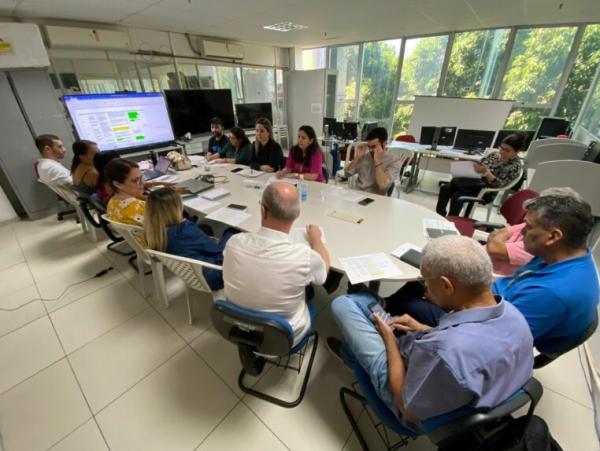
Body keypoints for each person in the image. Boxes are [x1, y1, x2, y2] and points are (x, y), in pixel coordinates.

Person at [328, 235, 533, 432]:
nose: (425, 288)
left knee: (343, 304)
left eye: (426, 281)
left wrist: (390, 340)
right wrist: (423, 328)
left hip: (410, 406)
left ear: (446, 285)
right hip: (458, 388)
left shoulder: (444, 351)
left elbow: (408, 410)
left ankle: (352, 354)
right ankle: (368, 319)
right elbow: (472, 345)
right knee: (366, 302)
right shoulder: (514, 315)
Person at [386, 191, 599, 356]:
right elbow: (511, 284)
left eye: (529, 226)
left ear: (554, 236)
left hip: (485, 324)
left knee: (407, 302)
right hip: (492, 301)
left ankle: (397, 346)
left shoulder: (553, 294)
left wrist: (426, 328)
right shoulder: (564, 255)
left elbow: (490, 342)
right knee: (418, 284)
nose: (521, 231)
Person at [223, 182, 330, 345]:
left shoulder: (234, 242)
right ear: (297, 214)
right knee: (311, 295)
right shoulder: (304, 256)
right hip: (283, 335)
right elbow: (322, 273)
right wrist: (315, 239)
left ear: (263, 210)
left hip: (236, 323)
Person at [144, 187, 236, 291]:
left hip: (192, 276)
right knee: (232, 231)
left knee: (209, 229)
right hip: (215, 275)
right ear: (176, 208)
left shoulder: (153, 232)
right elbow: (217, 250)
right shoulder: (184, 230)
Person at [436, 133, 524, 217]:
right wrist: (470, 165)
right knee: (445, 188)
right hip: (472, 183)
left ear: (517, 152)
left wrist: (486, 172)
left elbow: (498, 185)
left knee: (457, 196)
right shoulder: (494, 155)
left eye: (507, 150)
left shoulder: (514, 166)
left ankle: (452, 220)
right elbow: (480, 164)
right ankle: (440, 215)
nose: (502, 152)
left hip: (486, 191)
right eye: (501, 148)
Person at [344, 127, 402, 195]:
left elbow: (383, 186)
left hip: (375, 197)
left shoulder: (394, 161)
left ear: (385, 143)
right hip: (357, 193)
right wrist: (357, 158)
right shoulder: (365, 156)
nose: (371, 150)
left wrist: (377, 161)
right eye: (369, 146)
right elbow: (346, 174)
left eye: (374, 146)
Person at [105, 159, 146, 226]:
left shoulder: (112, 202)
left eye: (141, 178)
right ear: (118, 184)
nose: (142, 183)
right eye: (136, 180)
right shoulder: (139, 207)